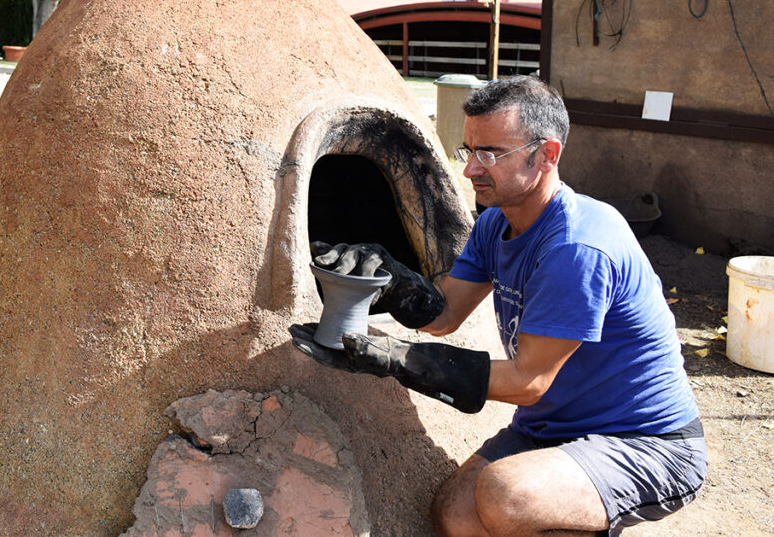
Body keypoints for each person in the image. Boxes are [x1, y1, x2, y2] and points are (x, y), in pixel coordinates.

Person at [290, 76, 706, 535]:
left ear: (547, 155)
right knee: (453, 513)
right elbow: (446, 315)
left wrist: (404, 360)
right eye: (469, 151)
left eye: (490, 154)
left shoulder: (576, 247)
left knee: (506, 495)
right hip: (551, 428)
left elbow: (529, 382)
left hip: (644, 442)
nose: (471, 169)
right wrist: (394, 281)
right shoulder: (495, 224)